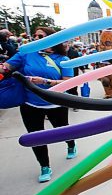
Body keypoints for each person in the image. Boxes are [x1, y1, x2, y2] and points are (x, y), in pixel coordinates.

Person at [0, 27, 77, 183]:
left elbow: (69, 82)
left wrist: (45, 82)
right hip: (30, 104)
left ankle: (71, 144)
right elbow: (6, 67)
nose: (36, 38)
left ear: (52, 39)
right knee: (36, 137)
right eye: (35, 36)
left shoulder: (63, 59)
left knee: (63, 130)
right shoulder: (26, 53)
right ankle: (44, 166)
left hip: (55, 103)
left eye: (40, 36)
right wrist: (4, 68)